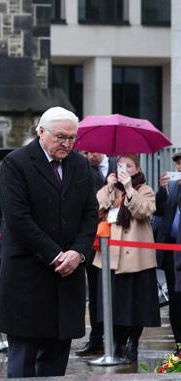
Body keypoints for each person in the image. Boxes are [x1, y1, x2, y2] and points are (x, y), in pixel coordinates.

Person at [0, 106, 98, 378]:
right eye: (61, 137)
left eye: (72, 138)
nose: (67, 144)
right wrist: (55, 255)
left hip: (68, 276)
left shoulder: (80, 165)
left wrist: (77, 252)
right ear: (41, 132)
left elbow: (89, 215)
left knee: (56, 358)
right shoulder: (16, 164)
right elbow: (18, 218)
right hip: (28, 274)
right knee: (23, 360)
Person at [94, 153, 160, 362]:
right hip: (111, 257)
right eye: (121, 166)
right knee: (111, 304)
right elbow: (97, 208)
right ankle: (116, 344)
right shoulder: (112, 190)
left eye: (129, 166)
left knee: (135, 305)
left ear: (137, 169)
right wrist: (109, 186)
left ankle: (133, 342)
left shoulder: (145, 190)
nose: (124, 170)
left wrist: (129, 188)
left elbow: (144, 210)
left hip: (137, 259)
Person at [77, 150, 110, 356]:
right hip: (94, 243)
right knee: (96, 294)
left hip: (118, 245)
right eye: (85, 152)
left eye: (91, 152)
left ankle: (116, 339)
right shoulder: (84, 169)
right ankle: (96, 339)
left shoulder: (119, 166)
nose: (88, 155)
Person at [153, 151, 181, 350]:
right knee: (175, 299)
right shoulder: (172, 186)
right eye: (178, 165)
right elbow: (160, 210)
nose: (179, 169)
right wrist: (162, 190)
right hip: (172, 250)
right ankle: (179, 341)